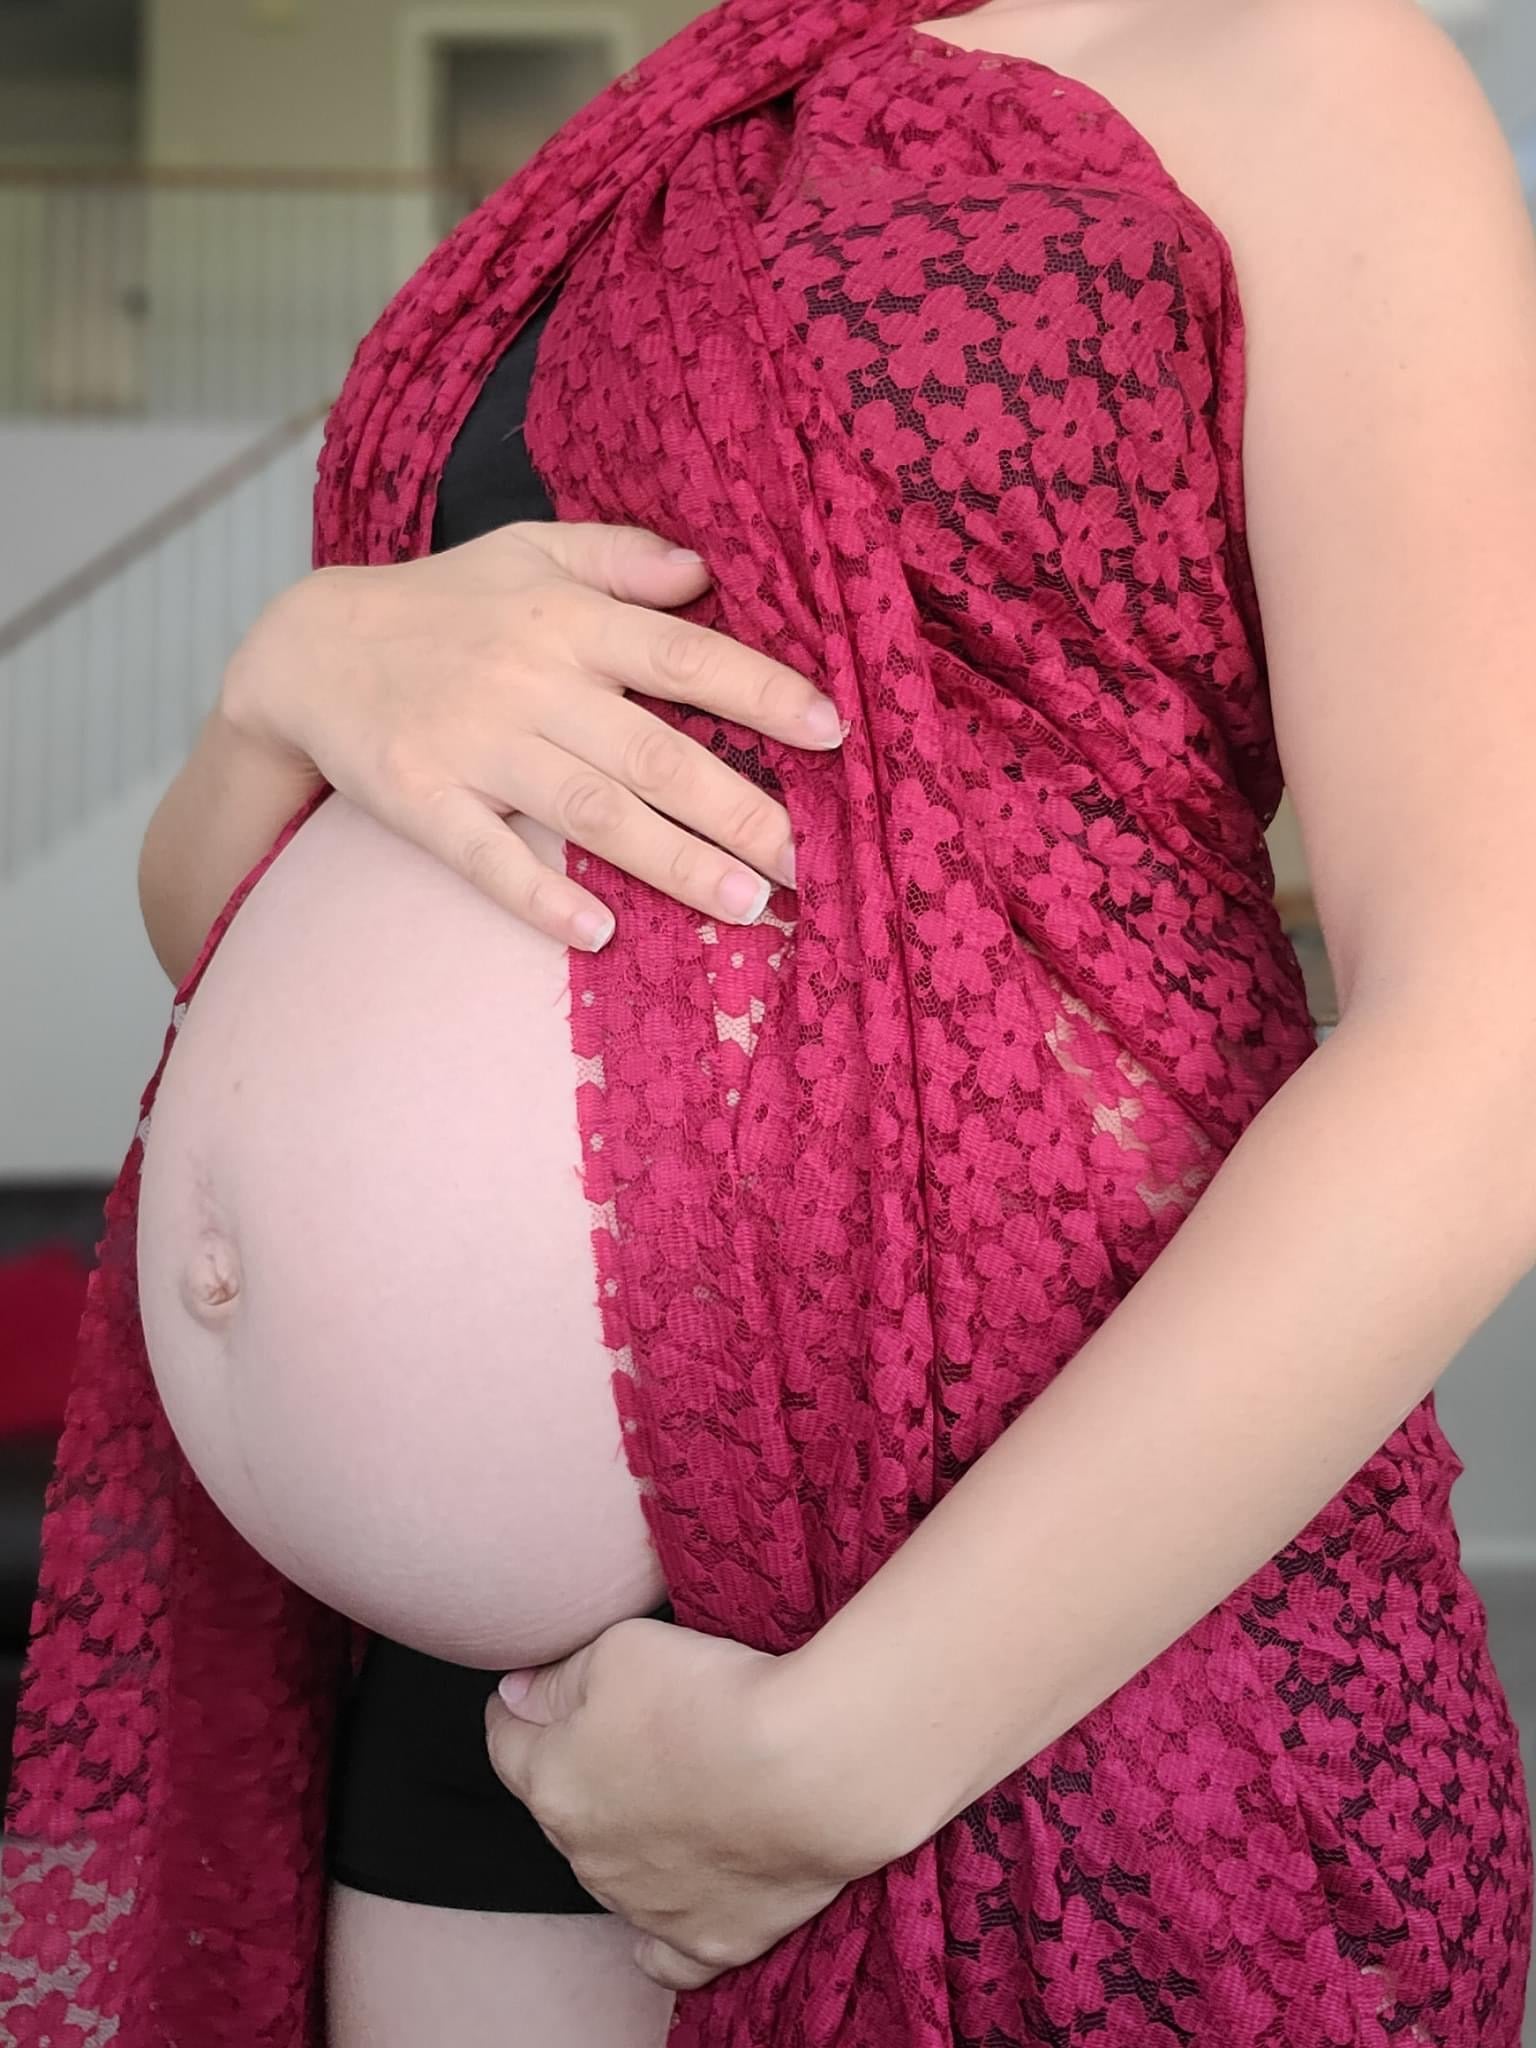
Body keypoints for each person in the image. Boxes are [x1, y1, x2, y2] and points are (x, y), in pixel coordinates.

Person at [4, 0, 1535, 2042]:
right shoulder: (648, 138)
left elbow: (1496, 1033)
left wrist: (844, 1751)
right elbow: (237, 936)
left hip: (994, 1631)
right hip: (470, 1699)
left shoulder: (1300, 61)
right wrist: (291, 677)